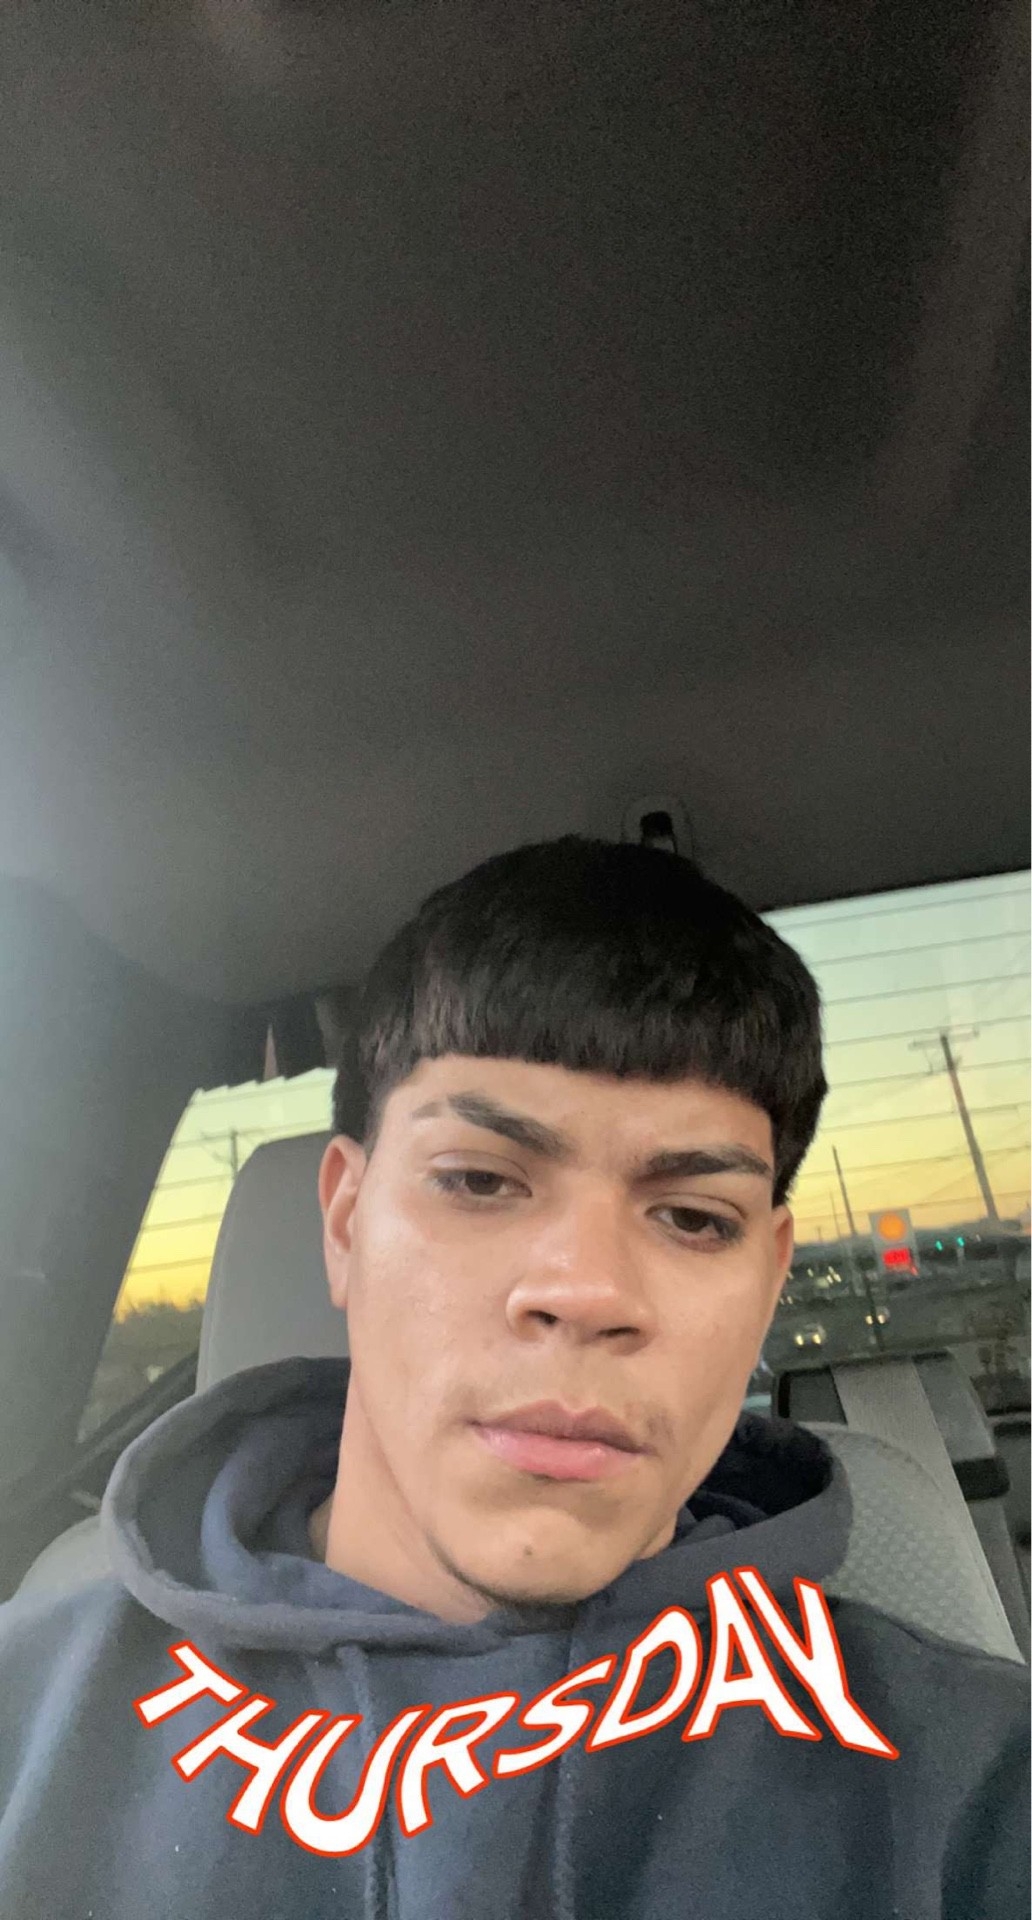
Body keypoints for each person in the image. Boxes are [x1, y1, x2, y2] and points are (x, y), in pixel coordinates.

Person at [0, 836, 1027, 1920]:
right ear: (345, 1225)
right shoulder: (27, 1725)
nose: (586, 1290)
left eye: (692, 1217)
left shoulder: (977, 1784)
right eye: (480, 1181)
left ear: (769, 1280)